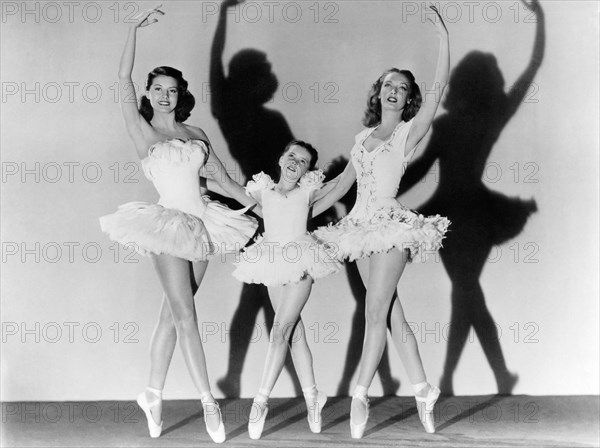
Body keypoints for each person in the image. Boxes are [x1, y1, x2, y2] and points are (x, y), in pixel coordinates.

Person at [99, 6, 258, 443]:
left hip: (204, 222)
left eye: (172, 89)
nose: (165, 95)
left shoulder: (196, 134)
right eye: (157, 89)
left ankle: (151, 393)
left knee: (172, 314)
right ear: (148, 94)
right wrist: (131, 28)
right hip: (167, 224)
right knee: (187, 313)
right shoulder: (143, 131)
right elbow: (120, 83)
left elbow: (226, 182)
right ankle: (208, 400)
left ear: (180, 94)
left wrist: (269, 210)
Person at [311, 5, 450, 437]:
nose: (394, 90)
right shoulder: (361, 138)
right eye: (388, 84)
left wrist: (442, 35)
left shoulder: (409, 133)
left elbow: (440, 87)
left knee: (373, 312)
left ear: (409, 98)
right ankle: (424, 388)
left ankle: (359, 394)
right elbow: (337, 188)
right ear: (379, 92)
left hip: (390, 225)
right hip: (359, 228)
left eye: (402, 87)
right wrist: (290, 212)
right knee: (391, 315)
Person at [398, 0, 544, 396]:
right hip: (471, 215)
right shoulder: (489, 121)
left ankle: (451, 380)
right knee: (466, 291)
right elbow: (530, 71)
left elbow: (421, 170)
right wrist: (541, 21)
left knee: (465, 290)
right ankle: (486, 378)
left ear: (462, 81)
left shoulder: (449, 124)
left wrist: (381, 190)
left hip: (451, 215)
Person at [205, 141, 340, 439]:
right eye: (291, 155)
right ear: (280, 159)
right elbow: (226, 184)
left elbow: (341, 184)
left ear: (308, 170)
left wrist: (361, 155)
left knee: (279, 332)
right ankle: (314, 397)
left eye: (303, 161)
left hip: (302, 260)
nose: (295, 162)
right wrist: (195, 172)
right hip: (272, 262)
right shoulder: (263, 192)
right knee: (294, 334)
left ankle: (260, 401)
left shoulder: (309, 192)